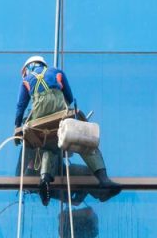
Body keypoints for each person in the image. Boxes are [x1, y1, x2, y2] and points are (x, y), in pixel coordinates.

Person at [14, 55, 121, 206]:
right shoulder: (56, 71)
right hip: (60, 113)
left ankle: (45, 179)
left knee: (48, 147)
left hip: (39, 119)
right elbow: (69, 97)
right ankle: (104, 179)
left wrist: (17, 127)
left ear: (27, 69)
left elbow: (21, 106)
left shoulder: (26, 80)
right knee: (85, 143)